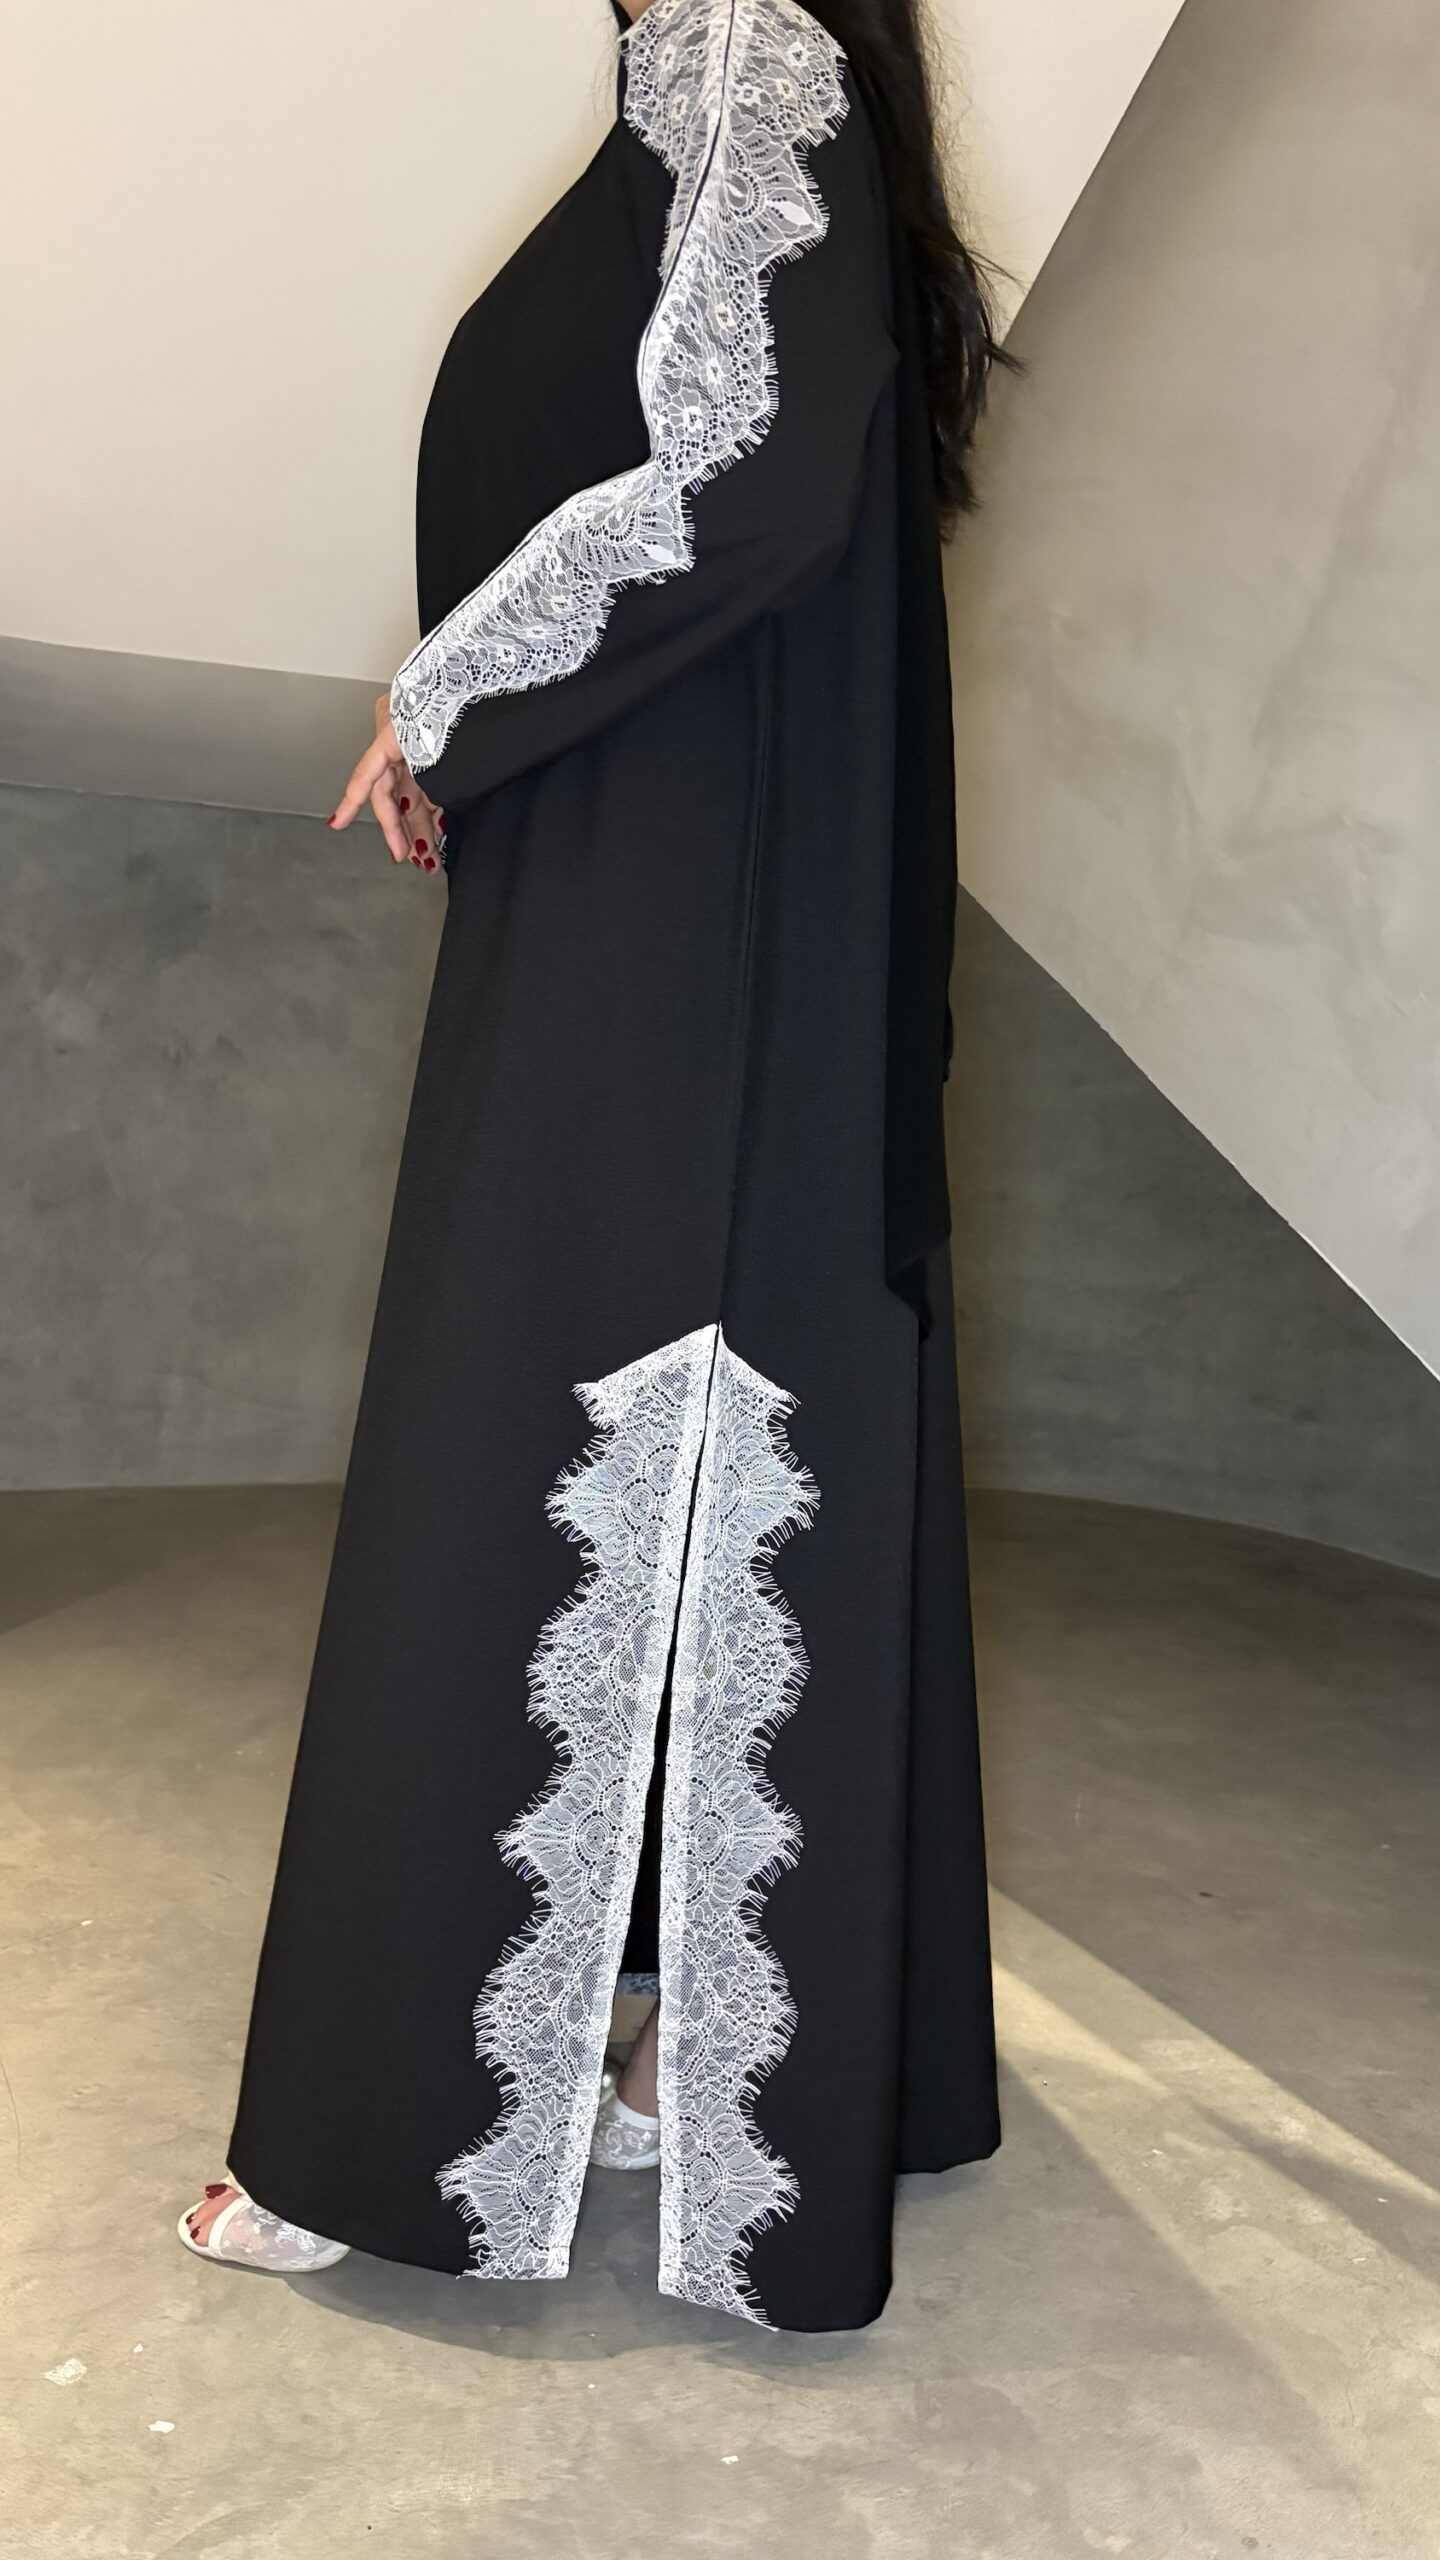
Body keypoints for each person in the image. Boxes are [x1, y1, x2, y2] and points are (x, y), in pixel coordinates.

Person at [180, 0, 1011, 2333]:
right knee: (627, 1428)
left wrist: (445, 689)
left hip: (665, 906)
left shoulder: (749, 49)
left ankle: (396, 2126)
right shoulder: (717, 86)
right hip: (656, 873)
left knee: (520, 1425)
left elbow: (746, 476)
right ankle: (651, 2041)